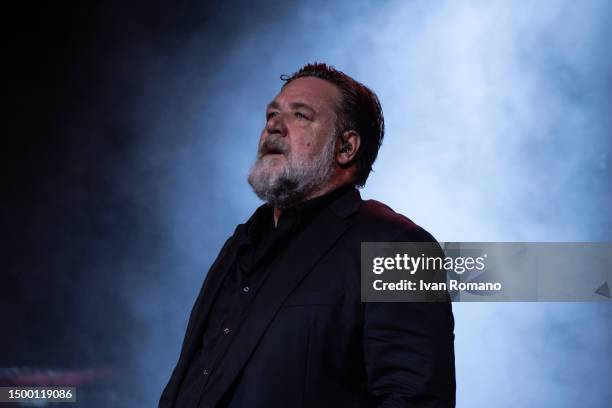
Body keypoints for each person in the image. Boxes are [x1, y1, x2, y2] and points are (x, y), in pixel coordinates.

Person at [159, 63, 455, 408]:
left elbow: (414, 400)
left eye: (300, 116)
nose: (273, 125)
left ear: (346, 147)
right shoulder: (240, 244)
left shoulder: (399, 248)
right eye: (272, 113)